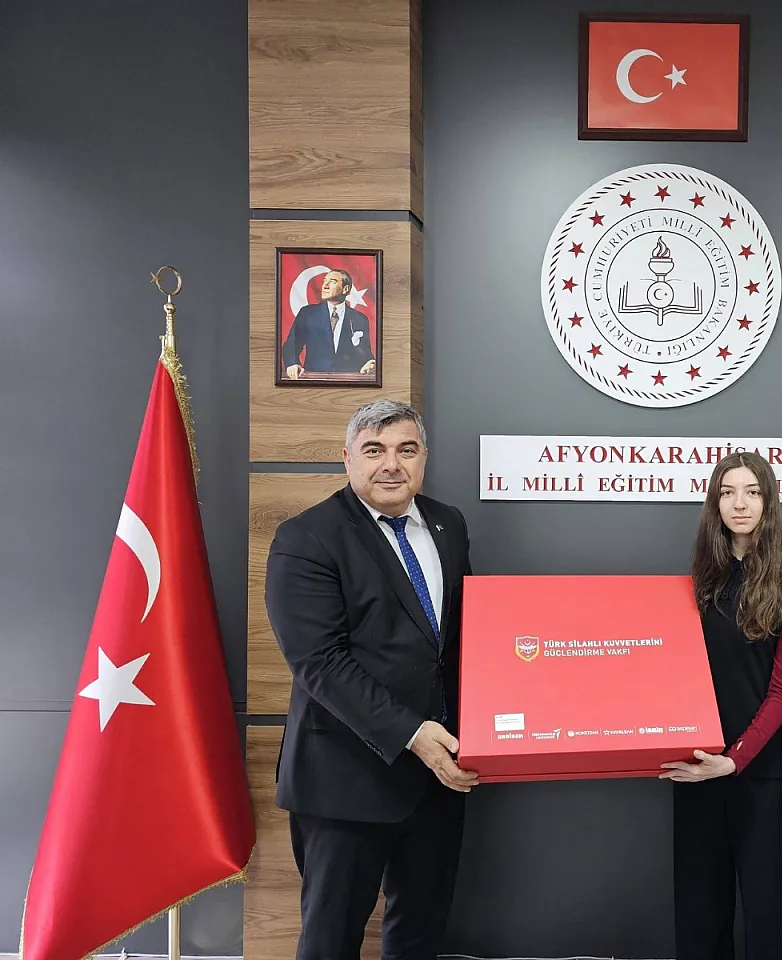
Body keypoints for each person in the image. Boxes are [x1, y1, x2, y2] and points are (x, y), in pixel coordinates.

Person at [265, 398, 477, 960]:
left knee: (419, 934)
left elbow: (460, 640)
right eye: (374, 450)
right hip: (345, 779)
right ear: (347, 458)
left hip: (439, 777)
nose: (391, 465)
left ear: (424, 457)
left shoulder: (448, 524)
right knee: (331, 940)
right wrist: (414, 735)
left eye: (406, 450)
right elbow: (320, 663)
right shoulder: (306, 537)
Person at [659, 451, 782, 960]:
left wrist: (735, 759)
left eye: (752, 492)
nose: (739, 503)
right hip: (697, 772)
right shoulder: (695, 587)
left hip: (763, 778)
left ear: (769, 502)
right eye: (727, 493)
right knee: (699, 920)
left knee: (768, 921)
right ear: (715, 504)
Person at [282, 268, 377, 378]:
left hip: (348, 381)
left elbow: (364, 352)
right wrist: (292, 364)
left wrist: (370, 362)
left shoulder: (360, 319)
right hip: (313, 380)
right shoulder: (308, 313)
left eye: (332, 281)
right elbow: (292, 345)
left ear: (345, 289)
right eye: (324, 281)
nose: (325, 286)